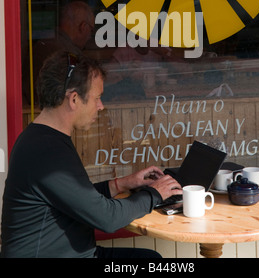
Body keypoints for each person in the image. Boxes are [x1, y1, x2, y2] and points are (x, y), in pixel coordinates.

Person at [1, 51, 182, 258]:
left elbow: (79, 198)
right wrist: (155, 194)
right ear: (74, 99)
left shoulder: (40, 139)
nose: (101, 106)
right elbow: (107, 218)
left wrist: (121, 184)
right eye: (97, 98)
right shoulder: (47, 152)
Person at [22, 0, 95, 104]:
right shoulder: (68, 54)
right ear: (83, 27)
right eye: (91, 30)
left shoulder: (45, 41)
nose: (89, 37)